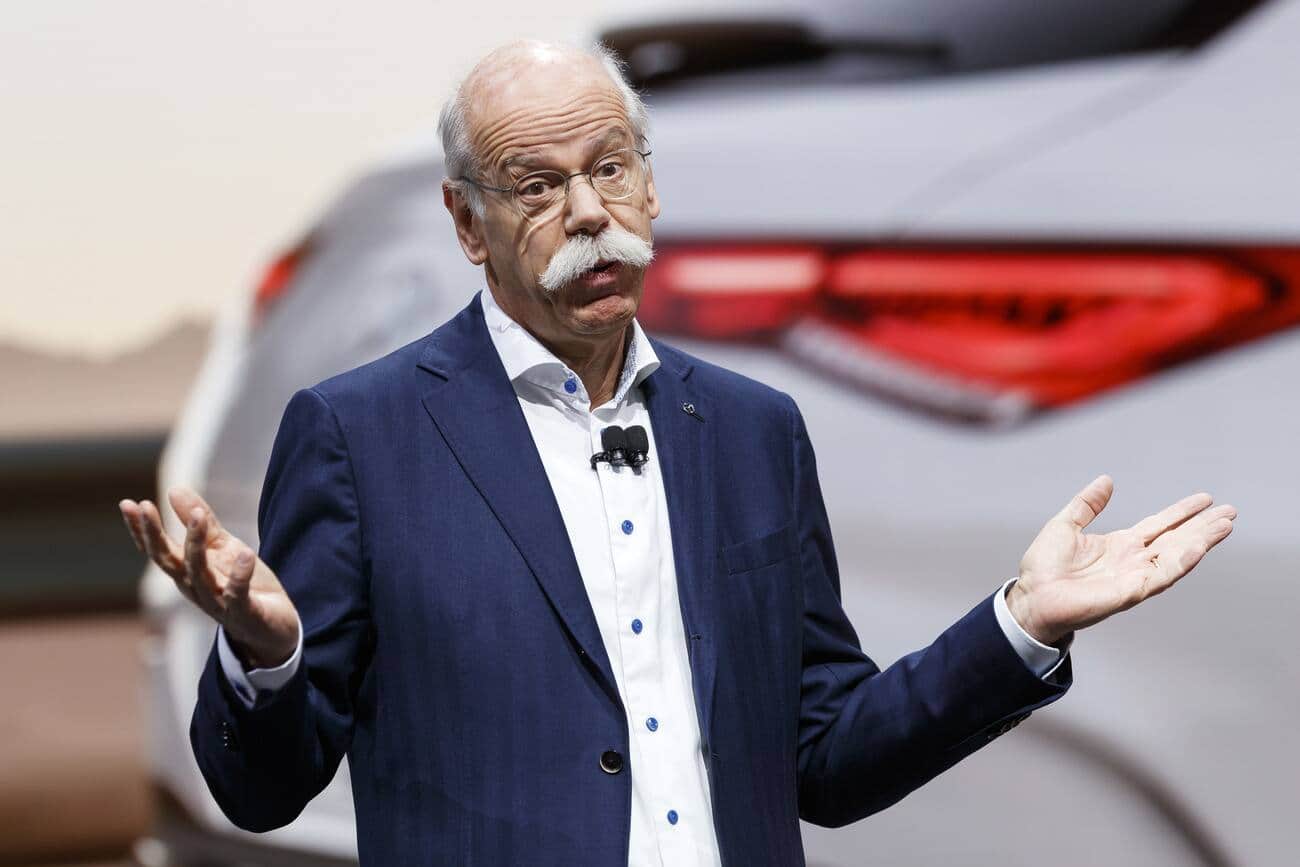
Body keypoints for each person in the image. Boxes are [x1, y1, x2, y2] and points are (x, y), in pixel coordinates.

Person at [117, 40, 1237, 866]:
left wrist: (1018, 626)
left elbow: (829, 762)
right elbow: (260, 795)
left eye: (609, 170)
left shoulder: (754, 433)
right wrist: (267, 656)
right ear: (467, 226)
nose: (587, 213)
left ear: (651, 185)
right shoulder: (358, 435)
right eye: (535, 185)